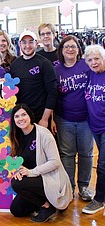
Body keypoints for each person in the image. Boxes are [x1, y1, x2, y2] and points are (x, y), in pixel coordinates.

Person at [9, 104, 72, 222]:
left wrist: (31, 172)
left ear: (30, 116)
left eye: (24, 114)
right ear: (13, 120)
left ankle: (47, 205)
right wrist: (17, 171)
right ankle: (48, 202)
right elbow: (16, 160)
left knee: (16, 184)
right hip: (33, 180)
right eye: (17, 116)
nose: (21, 118)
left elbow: (55, 162)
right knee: (16, 210)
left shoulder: (44, 134)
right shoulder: (16, 136)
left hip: (49, 177)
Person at [54, 35, 93, 201]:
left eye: (73, 46)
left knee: (86, 153)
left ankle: (84, 187)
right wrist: (52, 119)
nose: (70, 49)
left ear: (79, 50)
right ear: (61, 50)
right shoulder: (56, 69)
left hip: (86, 119)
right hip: (64, 119)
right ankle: (70, 187)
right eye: (66, 47)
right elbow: (53, 94)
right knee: (67, 154)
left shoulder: (87, 65)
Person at [10, 31, 58, 127]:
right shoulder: (14, 65)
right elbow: (11, 91)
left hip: (40, 117)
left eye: (31, 42)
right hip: (21, 119)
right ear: (19, 44)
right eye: (24, 42)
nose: (27, 46)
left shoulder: (45, 63)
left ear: (36, 44)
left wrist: (45, 119)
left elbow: (52, 92)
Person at [82, 45, 105, 214]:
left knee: (102, 164)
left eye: (97, 59)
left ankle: (99, 199)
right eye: (90, 60)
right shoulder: (89, 75)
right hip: (94, 125)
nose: (93, 62)